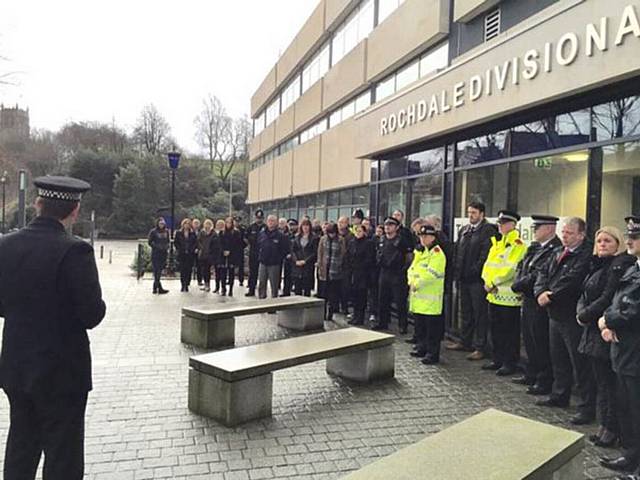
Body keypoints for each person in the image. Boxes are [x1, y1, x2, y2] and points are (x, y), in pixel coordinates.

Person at [0, 175, 106, 480]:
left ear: (37, 204)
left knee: (21, 445)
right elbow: (91, 315)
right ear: (74, 211)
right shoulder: (75, 251)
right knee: (63, 456)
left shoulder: (5, 245)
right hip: (62, 373)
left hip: (17, 366)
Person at [534, 217, 596, 425]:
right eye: (564, 232)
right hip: (554, 314)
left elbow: (573, 280)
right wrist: (540, 291)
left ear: (581, 234)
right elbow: (542, 272)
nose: (565, 236)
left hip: (571, 315)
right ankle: (560, 394)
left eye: (570, 233)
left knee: (580, 363)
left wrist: (550, 295)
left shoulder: (585, 254)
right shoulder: (558, 251)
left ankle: (586, 407)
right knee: (558, 358)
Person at [577, 227, 634, 448]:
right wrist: (582, 312)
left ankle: (611, 429)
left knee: (609, 385)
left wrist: (585, 315)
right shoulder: (595, 265)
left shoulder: (619, 267)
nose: (602, 244)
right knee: (601, 383)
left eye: (608, 241)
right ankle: (604, 426)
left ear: (617, 244)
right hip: (592, 329)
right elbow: (584, 293)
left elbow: (608, 297)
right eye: (599, 240)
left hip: (604, 330)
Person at [597, 216, 640, 477]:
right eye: (629, 236)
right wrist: (608, 323)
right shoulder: (633, 267)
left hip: (635, 352)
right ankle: (631, 455)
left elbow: (633, 310)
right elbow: (617, 300)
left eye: (634, 237)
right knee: (628, 409)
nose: (629, 241)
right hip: (624, 352)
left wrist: (607, 320)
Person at [511, 215, 562, 395]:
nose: (534, 231)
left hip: (538, 300)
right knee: (529, 339)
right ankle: (531, 373)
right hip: (527, 298)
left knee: (540, 341)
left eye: (537, 227)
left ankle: (544, 379)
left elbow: (538, 275)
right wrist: (518, 282)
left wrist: (519, 284)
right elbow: (521, 266)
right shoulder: (534, 247)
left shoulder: (555, 248)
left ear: (549, 229)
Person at [449, 202, 498, 360]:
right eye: (469, 212)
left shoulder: (488, 230)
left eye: (474, 213)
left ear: (482, 214)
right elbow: (458, 251)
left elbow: (485, 256)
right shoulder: (465, 230)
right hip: (463, 279)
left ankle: (480, 347)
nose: (470, 215)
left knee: (480, 314)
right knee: (465, 312)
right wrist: (458, 272)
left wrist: (475, 272)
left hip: (477, 280)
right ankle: (465, 341)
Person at [481, 210, 527, 376]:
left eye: (503, 223)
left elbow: (511, 268)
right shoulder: (498, 243)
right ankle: (497, 359)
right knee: (496, 329)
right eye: (499, 223)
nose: (500, 226)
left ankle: (509, 362)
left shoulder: (517, 243)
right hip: (493, 294)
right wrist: (486, 281)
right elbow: (488, 265)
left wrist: (493, 282)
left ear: (513, 224)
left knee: (509, 332)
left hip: (508, 297)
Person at [408, 224, 447, 364]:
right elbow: (411, 269)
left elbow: (432, 274)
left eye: (425, 236)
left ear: (432, 237)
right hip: (419, 299)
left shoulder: (437, 253)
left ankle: (432, 354)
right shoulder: (420, 252)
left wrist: (416, 283)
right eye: (421, 236)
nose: (423, 239)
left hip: (431, 299)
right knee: (421, 327)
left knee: (432, 330)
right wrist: (411, 281)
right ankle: (421, 348)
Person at [374, 216, 412, 334]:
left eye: (390, 225)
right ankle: (383, 322)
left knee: (400, 300)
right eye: (386, 225)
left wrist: (403, 269)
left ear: (396, 227)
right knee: (383, 299)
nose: (387, 227)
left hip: (397, 273)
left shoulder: (401, 240)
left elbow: (409, 256)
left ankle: (402, 325)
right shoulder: (382, 239)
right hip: (384, 272)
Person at [317, 222, 347, 321]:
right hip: (325, 270)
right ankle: (323, 313)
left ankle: (330, 313)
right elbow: (320, 253)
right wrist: (320, 266)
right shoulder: (323, 239)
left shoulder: (341, 240)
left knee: (333, 295)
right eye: (330, 233)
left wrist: (340, 266)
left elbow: (343, 254)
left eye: (333, 233)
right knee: (324, 294)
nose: (331, 235)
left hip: (336, 270)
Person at [347, 224, 376, 325]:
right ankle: (355, 315)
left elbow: (370, 259)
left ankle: (360, 317)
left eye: (360, 231)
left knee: (361, 296)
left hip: (363, 273)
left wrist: (360, 266)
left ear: (364, 232)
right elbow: (349, 256)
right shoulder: (351, 243)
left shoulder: (368, 243)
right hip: (353, 273)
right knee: (354, 295)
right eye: (356, 231)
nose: (358, 233)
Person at [257, 215, 290, 299]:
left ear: (276, 223)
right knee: (261, 283)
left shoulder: (281, 235)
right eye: (269, 220)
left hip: (274, 264)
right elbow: (258, 245)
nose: (270, 222)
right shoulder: (262, 233)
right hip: (263, 262)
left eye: (272, 221)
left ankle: (273, 305)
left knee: (274, 285)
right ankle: (261, 302)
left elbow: (285, 250)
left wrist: (278, 259)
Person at [291, 219, 318, 297]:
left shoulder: (314, 238)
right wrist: (296, 260)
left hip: (308, 265)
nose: (305, 227)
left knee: (307, 288)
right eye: (304, 225)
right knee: (297, 288)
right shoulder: (297, 237)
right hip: (297, 266)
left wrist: (305, 261)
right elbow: (293, 250)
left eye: (307, 225)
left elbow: (314, 252)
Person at [220, 217, 243, 296]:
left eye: (230, 223)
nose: (228, 224)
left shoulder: (236, 232)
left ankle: (230, 289)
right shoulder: (222, 232)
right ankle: (223, 288)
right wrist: (223, 251)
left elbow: (238, 245)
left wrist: (230, 251)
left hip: (232, 255)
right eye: (227, 222)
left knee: (231, 273)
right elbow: (219, 244)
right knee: (223, 273)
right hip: (223, 255)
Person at [245, 209, 266, 297]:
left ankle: (262, 292)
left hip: (263, 253)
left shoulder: (266, 227)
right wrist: (249, 245)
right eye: (257, 217)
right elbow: (245, 238)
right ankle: (251, 289)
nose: (259, 219)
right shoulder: (251, 227)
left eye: (260, 218)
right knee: (252, 272)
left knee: (262, 274)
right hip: (253, 252)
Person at [174, 218, 197, 293]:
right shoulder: (178, 233)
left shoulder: (193, 233)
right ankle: (183, 284)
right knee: (182, 269)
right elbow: (176, 242)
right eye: (185, 224)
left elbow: (195, 243)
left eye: (188, 224)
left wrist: (192, 249)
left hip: (190, 254)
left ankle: (187, 283)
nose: (186, 225)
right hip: (182, 253)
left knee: (189, 269)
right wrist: (179, 249)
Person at [148, 217, 170, 294]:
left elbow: (168, 241)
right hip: (156, 254)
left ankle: (156, 287)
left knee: (160, 271)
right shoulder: (153, 232)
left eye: (163, 224)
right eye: (160, 223)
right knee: (156, 271)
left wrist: (166, 247)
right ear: (157, 223)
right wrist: (157, 246)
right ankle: (157, 287)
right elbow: (150, 242)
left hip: (163, 254)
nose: (162, 225)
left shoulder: (166, 231)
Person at [196, 219, 218, 292]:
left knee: (209, 270)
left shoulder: (214, 233)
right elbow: (198, 241)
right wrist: (200, 249)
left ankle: (211, 285)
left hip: (210, 254)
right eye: (206, 224)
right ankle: (206, 284)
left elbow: (215, 244)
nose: (207, 226)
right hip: (203, 254)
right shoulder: (201, 233)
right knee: (204, 270)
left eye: (209, 224)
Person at [281, 218, 297, 296]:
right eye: (290, 225)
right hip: (287, 259)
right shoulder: (286, 236)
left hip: (296, 260)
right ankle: (286, 292)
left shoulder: (298, 236)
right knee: (287, 277)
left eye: (293, 225)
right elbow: (283, 247)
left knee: (295, 277)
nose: (291, 227)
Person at [213, 219, 226, 293]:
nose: (219, 226)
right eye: (218, 225)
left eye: (221, 225)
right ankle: (217, 287)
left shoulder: (225, 233)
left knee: (223, 273)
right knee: (217, 273)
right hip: (216, 256)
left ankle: (223, 288)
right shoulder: (214, 233)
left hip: (223, 256)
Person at [233, 216, 246, 286]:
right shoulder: (231, 229)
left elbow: (245, 240)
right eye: (235, 221)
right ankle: (230, 279)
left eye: (238, 221)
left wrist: (242, 247)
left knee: (241, 265)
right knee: (231, 265)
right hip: (232, 249)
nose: (236, 223)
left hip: (240, 249)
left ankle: (241, 280)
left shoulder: (243, 229)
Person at [191, 218, 203, 286]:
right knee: (190, 266)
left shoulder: (201, 232)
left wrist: (199, 249)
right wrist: (193, 249)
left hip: (199, 251)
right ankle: (188, 280)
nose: (196, 225)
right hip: (191, 251)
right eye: (195, 223)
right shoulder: (190, 232)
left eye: (197, 223)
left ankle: (199, 280)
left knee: (199, 266)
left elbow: (202, 241)